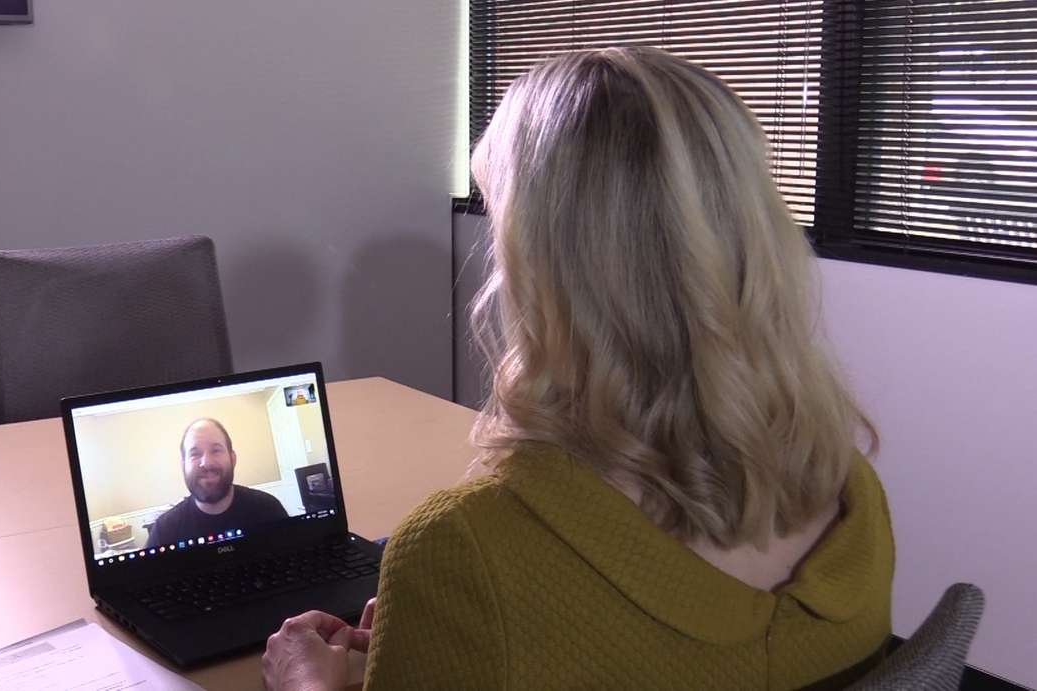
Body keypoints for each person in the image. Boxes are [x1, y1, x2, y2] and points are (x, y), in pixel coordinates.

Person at [262, 46, 894, 690]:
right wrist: (432, 634)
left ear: (542, 266)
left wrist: (306, 683)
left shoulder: (463, 552)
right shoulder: (853, 491)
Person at [146, 418, 287, 548]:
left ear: (232, 459)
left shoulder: (269, 509)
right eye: (195, 454)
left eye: (216, 450)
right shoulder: (164, 531)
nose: (206, 463)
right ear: (183, 465)